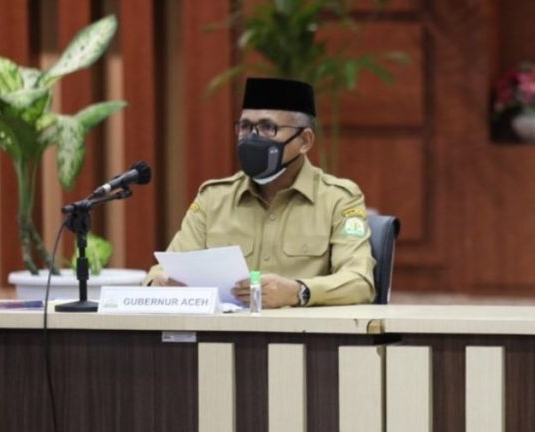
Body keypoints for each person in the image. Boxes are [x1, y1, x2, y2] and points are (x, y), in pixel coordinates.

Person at [145, 78, 375, 307]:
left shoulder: (338, 199)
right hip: (221, 335)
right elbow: (162, 270)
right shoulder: (213, 198)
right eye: (245, 127)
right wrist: (161, 283)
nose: (253, 138)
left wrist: (299, 291)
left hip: (301, 336)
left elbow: (359, 283)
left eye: (268, 127)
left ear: (304, 140)